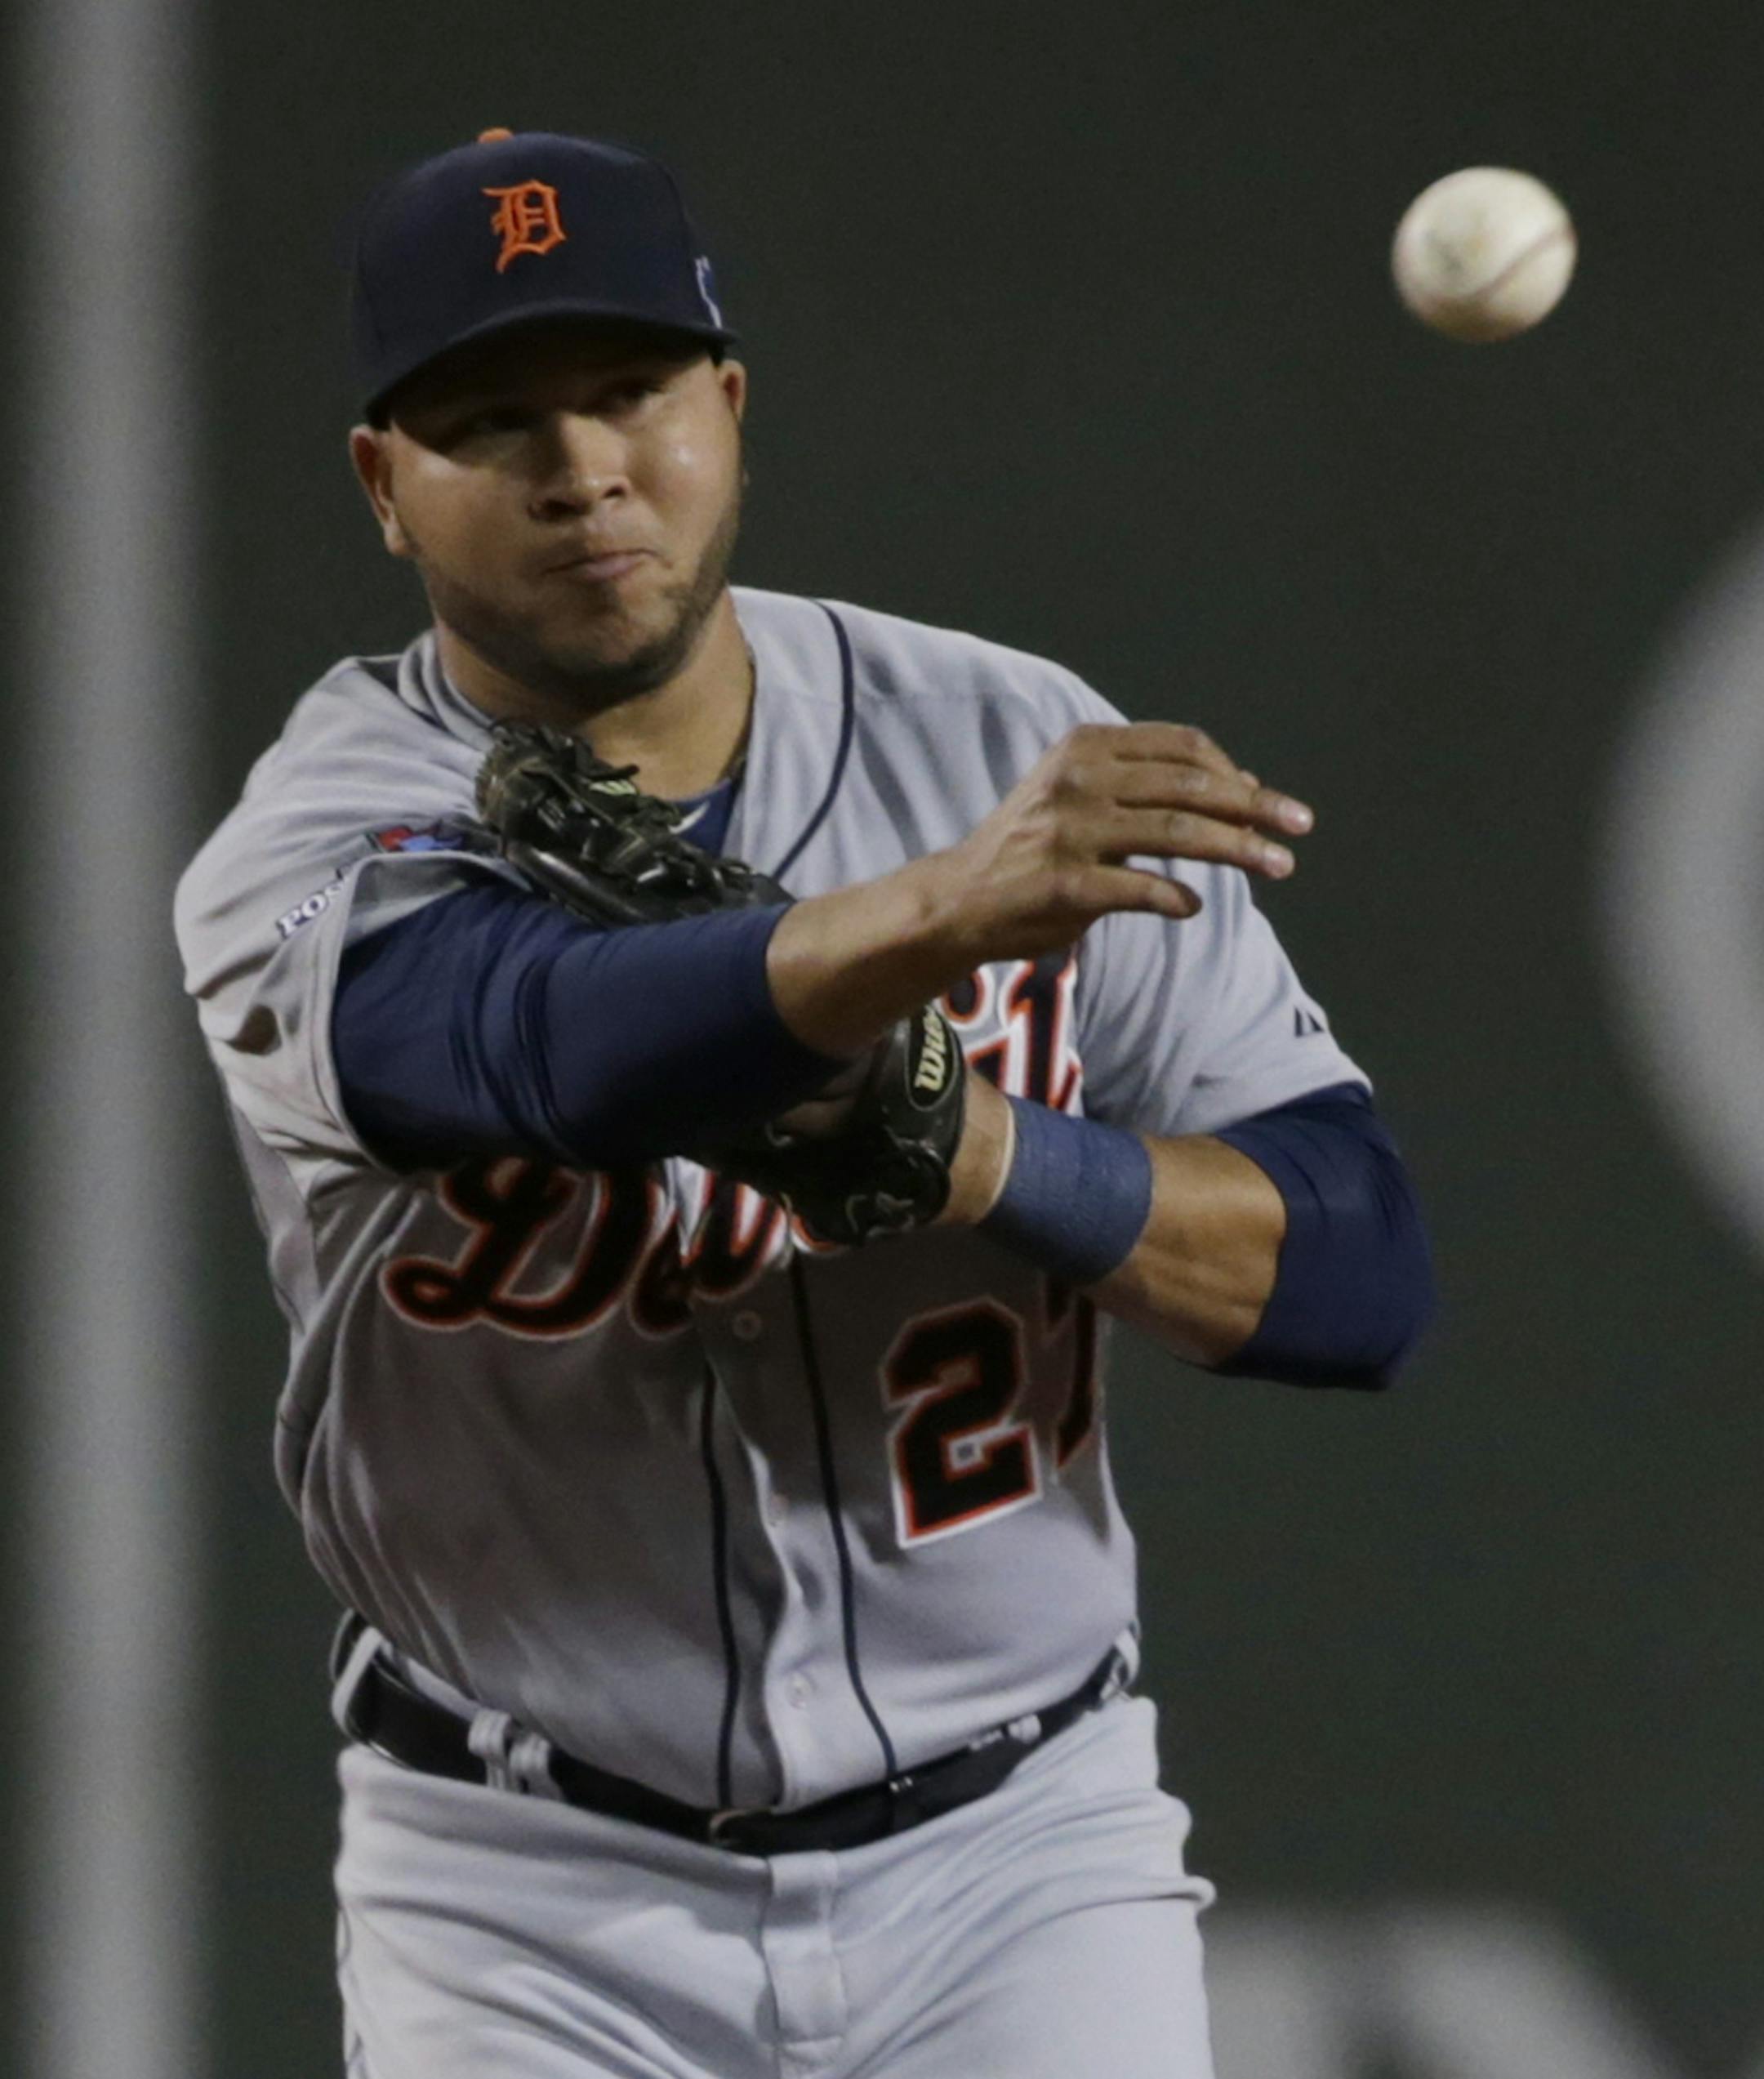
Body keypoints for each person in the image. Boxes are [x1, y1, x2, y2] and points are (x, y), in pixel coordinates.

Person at [176, 128, 1434, 2079]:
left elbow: (1357, 1275)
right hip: (526, 1890)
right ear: (385, 485)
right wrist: (928, 920)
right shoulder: (320, 837)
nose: (583, 467)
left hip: (1018, 1856)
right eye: (493, 418)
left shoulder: (1006, 746)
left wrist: (990, 1146)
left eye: (629, 391)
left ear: (730, 409)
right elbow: (516, 1040)